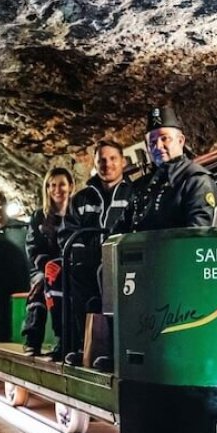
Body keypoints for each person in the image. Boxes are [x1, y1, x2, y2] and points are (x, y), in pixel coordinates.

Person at [63, 141, 134, 366]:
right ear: (94, 164)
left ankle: (115, 350)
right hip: (90, 260)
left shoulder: (134, 194)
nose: (107, 164)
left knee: (110, 277)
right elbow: (68, 233)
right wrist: (81, 256)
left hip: (124, 260)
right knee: (74, 276)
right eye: (102, 160)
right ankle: (84, 346)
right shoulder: (81, 199)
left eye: (113, 159)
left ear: (123, 162)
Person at [117, 105, 217, 233]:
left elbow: (198, 234)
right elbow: (121, 228)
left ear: (180, 141)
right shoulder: (142, 185)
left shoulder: (196, 180)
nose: (158, 146)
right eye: (152, 142)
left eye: (165, 138)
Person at [22, 167, 75, 360]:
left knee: (58, 281)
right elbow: (32, 248)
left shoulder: (76, 214)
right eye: (52, 185)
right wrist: (47, 265)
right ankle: (32, 338)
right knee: (41, 281)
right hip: (44, 267)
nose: (57, 190)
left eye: (62, 185)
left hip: (70, 266)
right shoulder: (39, 216)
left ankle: (65, 339)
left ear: (70, 187)